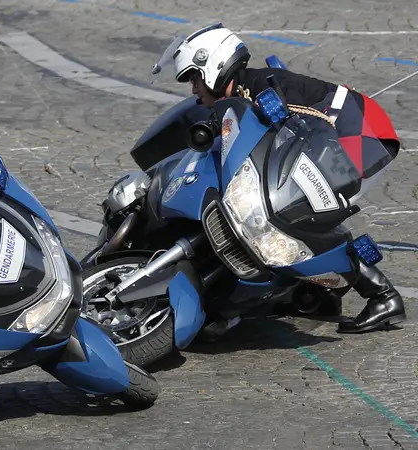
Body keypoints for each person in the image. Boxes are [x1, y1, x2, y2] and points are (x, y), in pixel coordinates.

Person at [167, 23, 405, 334]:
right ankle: (323, 294)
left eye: (195, 78)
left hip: (360, 133)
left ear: (214, 66)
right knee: (288, 207)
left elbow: (309, 130)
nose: (194, 89)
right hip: (347, 133)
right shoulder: (245, 89)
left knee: (293, 215)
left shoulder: (265, 89)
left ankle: (384, 297)